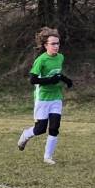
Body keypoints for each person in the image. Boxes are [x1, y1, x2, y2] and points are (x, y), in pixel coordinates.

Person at [17, 27, 73, 165]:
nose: (56, 46)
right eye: (53, 44)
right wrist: (51, 80)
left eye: (58, 43)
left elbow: (57, 74)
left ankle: (48, 157)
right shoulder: (41, 60)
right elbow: (33, 80)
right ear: (45, 45)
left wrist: (66, 80)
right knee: (40, 129)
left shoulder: (60, 57)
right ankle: (25, 135)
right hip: (42, 99)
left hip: (56, 97)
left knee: (54, 127)